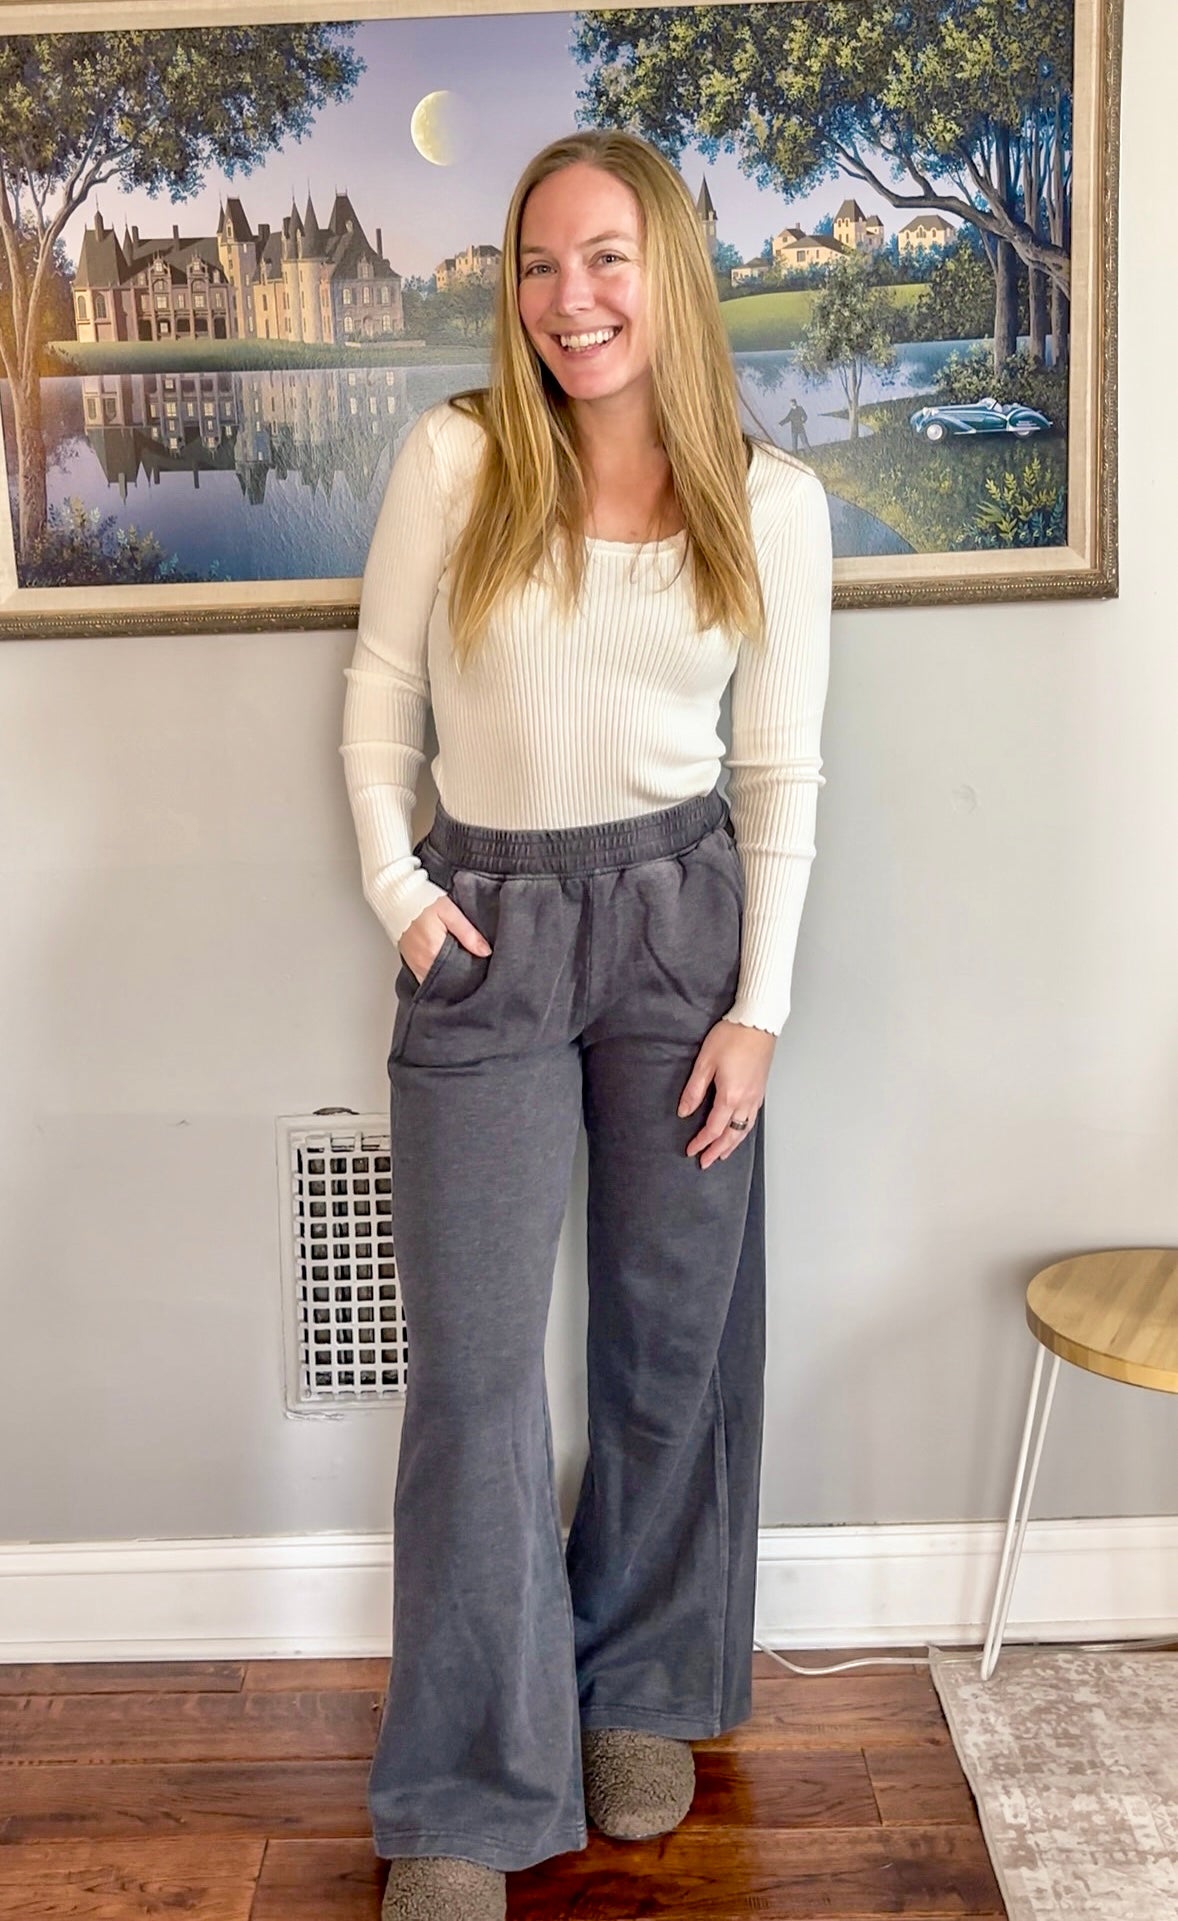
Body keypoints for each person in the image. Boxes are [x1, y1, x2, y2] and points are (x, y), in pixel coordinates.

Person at [340, 128, 832, 1921]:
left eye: (605, 257)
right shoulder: (455, 458)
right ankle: (468, 1788)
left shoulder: (769, 502)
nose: (569, 298)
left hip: (681, 932)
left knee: (668, 1335)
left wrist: (758, 1009)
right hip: (487, 928)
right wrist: (403, 895)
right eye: (538, 264)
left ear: (668, 268)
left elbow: (778, 777)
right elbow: (380, 696)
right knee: (473, 1373)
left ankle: (635, 1685)